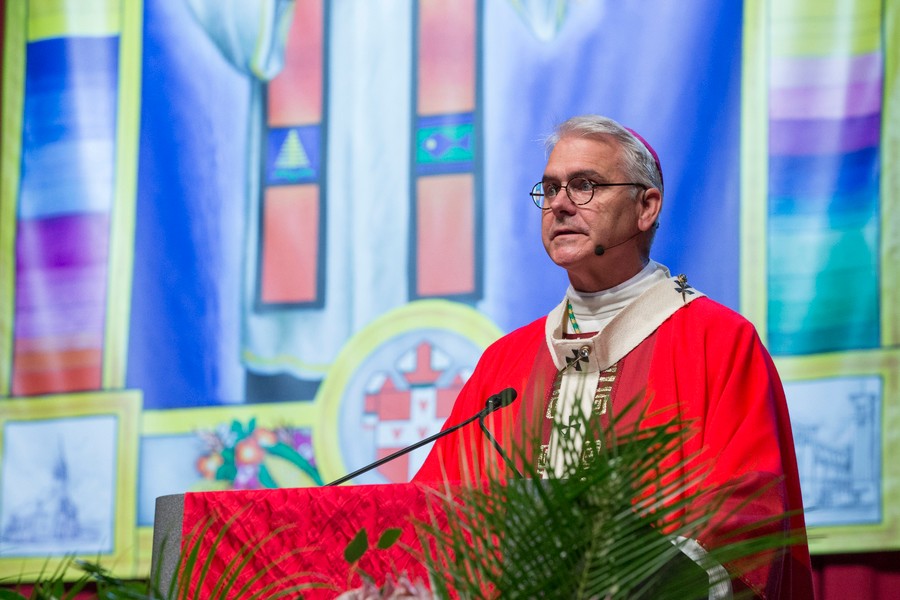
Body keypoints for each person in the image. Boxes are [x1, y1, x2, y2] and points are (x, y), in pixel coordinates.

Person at [412, 115, 814, 598]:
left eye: (585, 185)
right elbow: (434, 513)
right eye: (550, 188)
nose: (560, 204)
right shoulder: (505, 362)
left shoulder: (717, 341)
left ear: (646, 207)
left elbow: (748, 513)